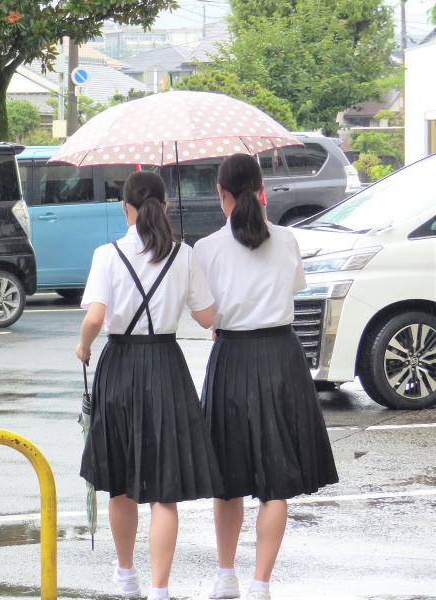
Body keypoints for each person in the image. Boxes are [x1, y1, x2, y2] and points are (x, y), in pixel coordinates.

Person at [193, 154, 339, 600]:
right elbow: (290, 288)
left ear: (221, 194)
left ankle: (225, 576)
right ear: (262, 190)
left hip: (232, 355)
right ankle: (261, 583)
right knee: (276, 480)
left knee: (227, 477)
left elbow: (206, 314)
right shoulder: (287, 239)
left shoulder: (206, 248)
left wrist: (222, 316)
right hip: (280, 355)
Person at [75, 171, 222, 600]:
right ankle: (160, 589)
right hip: (165, 365)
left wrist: (83, 346)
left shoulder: (107, 254)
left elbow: (95, 317)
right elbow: (207, 317)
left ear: (126, 208)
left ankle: (126, 575)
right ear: (166, 206)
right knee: (164, 489)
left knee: (120, 482)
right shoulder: (184, 254)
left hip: (119, 365)